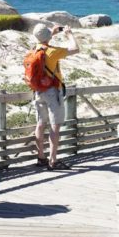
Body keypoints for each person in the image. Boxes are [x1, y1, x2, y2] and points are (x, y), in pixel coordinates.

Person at [31, 24, 80, 170]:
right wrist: (69, 34)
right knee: (55, 126)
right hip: (52, 92)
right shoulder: (52, 52)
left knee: (40, 124)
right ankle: (53, 160)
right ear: (47, 37)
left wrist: (50, 33)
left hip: (38, 91)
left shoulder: (34, 49)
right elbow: (76, 49)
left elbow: (43, 42)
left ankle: (41, 157)